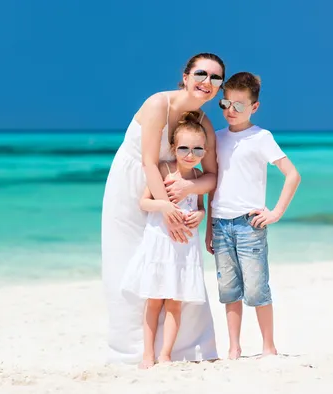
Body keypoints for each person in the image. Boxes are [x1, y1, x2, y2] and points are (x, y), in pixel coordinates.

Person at [101, 53, 225, 364]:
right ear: (185, 76)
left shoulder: (204, 125)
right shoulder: (159, 103)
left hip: (172, 190)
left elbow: (211, 175)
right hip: (132, 184)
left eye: (215, 78)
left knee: (175, 262)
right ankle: (134, 352)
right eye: (201, 74)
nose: (206, 83)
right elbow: (147, 162)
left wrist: (189, 190)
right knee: (129, 264)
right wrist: (166, 209)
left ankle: (182, 349)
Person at [208, 72, 301, 360]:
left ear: (254, 107)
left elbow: (292, 175)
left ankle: (268, 347)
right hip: (220, 224)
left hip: (250, 225)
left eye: (239, 105)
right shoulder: (216, 137)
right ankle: (234, 348)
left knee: (257, 288)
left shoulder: (262, 137)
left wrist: (275, 213)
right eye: (225, 104)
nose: (230, 111)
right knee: (228, 290)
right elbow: (212, 180)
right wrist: (209, 228)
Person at [120, 111, 211, 368]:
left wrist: (200, 215)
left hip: (184, 245)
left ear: (204, 151)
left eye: (197, 150)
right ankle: (148, 354)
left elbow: (200, 205)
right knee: (154, 301)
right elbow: (144, 202)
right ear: (173, 147)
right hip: (160, 242)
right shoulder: (164, 169)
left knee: (174, 303)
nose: (190, 155)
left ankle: (166, 354)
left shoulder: (197, 177)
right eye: (183, 148)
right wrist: (164, 206)